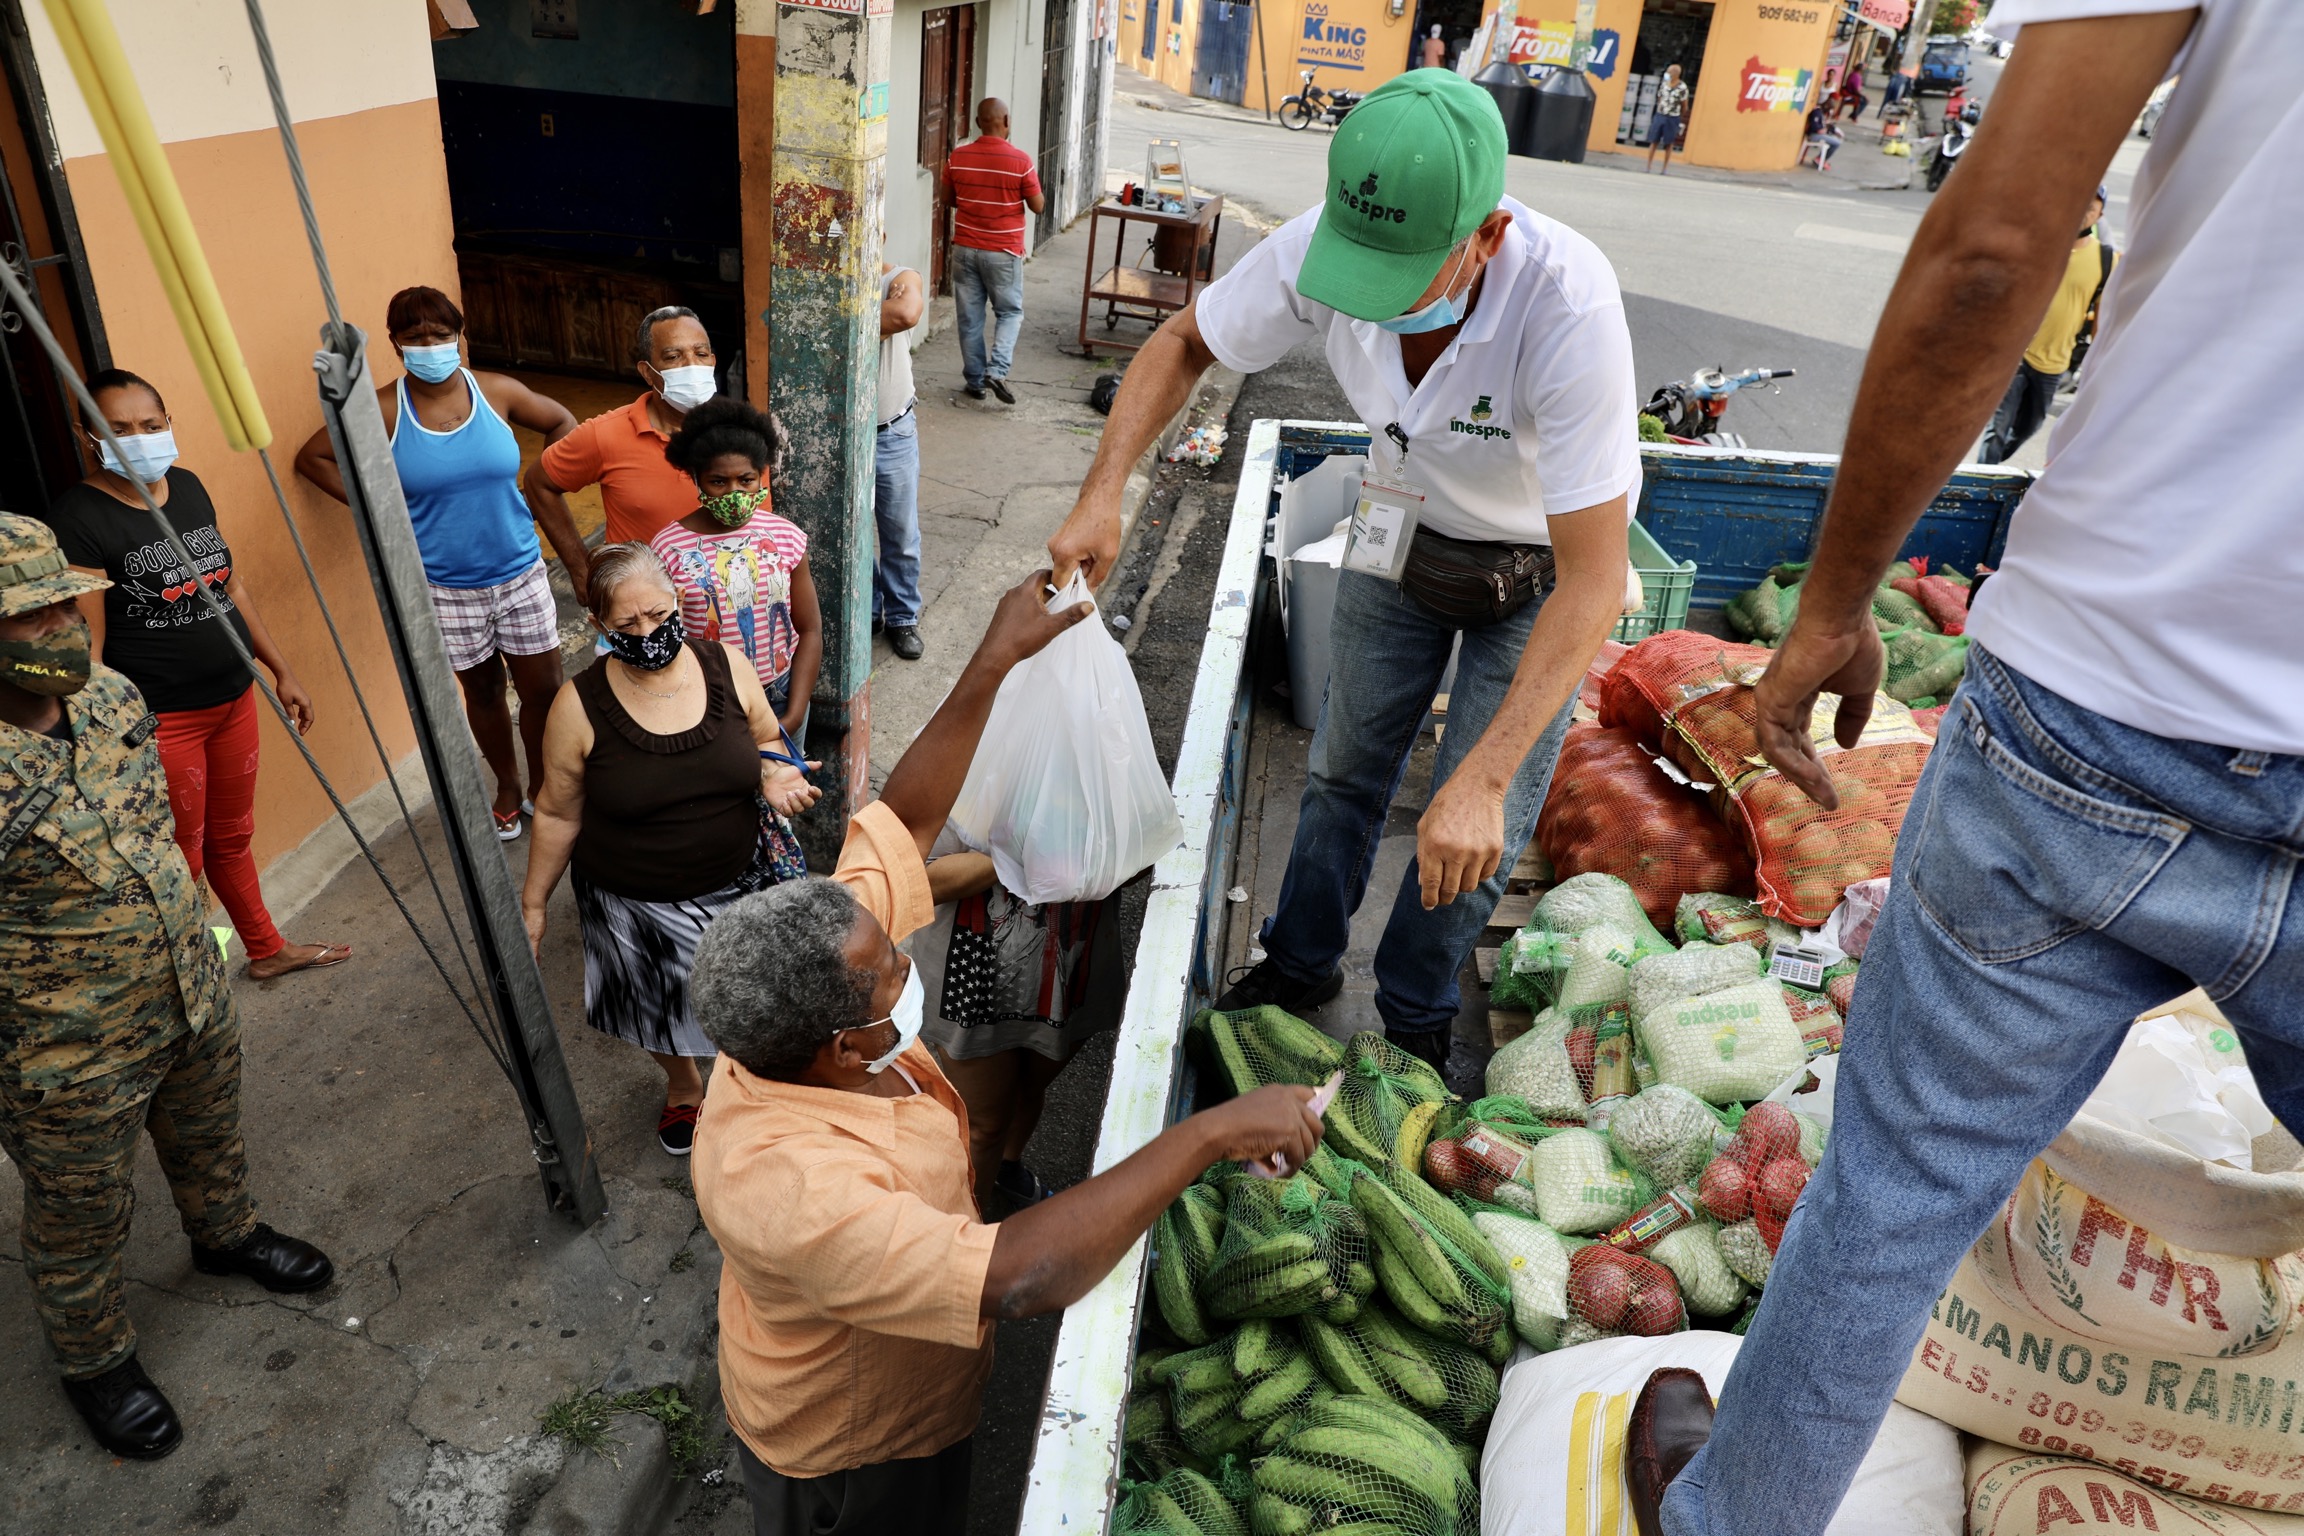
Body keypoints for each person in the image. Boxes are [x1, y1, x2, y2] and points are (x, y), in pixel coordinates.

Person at [1636, 7, 2303, 1535]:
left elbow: (1995, 249)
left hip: (2112, 691)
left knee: (1892, 1197)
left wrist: (1834, 603)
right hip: (2119, 698)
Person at [686, 568, 1325, 1536]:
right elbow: (1019, 1276)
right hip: (855, 1451)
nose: (906, 962)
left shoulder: (805, 991)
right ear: (840, 1049)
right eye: (889, 974)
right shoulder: (791, 1189)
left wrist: (996, 656)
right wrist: (1209, 1135)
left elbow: (901, 826)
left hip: (924, 1386)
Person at [1047, 69, 1639, 1078]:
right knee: (1340, 773)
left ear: (1487, 236)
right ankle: (1300, 961)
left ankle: (1414, 1008)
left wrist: (1483, 776)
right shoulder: (1321, 246)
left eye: (1399, 274)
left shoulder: (1568, 305)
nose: (1367, 297)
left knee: (1478, 819)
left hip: (1539, 572)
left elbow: (1594, 578)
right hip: (1399, 531)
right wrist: (1104, 490)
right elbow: (1185, 342)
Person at [0, 514, 334, 1461]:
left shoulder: (109, 695)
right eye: (33, 615)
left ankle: (225, 1236)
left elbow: (153, 833)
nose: (64, 626)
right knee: (80, 1209)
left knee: (208, 1130)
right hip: (61, 1045)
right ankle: (95, 1358)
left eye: (67, 603)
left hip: (185, 984)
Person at [519, 543, 819, 1156]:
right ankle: (684, 1086)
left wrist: (774, 772)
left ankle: (756, 1087)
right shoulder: (577, 706)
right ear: (598, 625)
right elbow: (555, 811)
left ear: (678, 600)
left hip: (740, 879)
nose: (647, 633)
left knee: (758, 1000)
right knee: (657, 1007)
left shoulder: (726, 666)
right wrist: (533, 904)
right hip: (632, 902)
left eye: (658, 615)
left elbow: (766, 737)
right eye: (626, 624)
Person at [47, 369, 349, 977]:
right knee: (181, 855)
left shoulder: (186, 486)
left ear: (169, 423)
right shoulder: (79, 518)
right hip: (164, 721)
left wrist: (281, 669)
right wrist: (98, 736)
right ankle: (195, 969)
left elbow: (230, 586)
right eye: (119, 428)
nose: (139, 438)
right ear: (88, 436)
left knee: (231, 838)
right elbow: (90, 649)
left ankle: (264, 950)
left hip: (233, 700)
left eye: (150, 425)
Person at [294, 285, 578, 840]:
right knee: (484, 693)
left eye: (441, 334)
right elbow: (313, 458)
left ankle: (546, 786)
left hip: (520, 572)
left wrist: (541, 482)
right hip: (445, 587)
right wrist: (381, 511)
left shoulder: (496, 391)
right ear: (396, 344)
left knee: (544, 690)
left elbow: (563, 421)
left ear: (459, 335)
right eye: (416, 337)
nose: (430, 346)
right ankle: (507, 786)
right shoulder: (383, 408)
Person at [909, 828, 1123, 1213]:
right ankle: (965, 1233)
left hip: (1070, 967)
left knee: (1027, 1089)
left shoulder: (1111, 783)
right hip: (974, 980)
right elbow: (920, 880)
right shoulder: (963, 788)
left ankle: (1005, 1170)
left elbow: (1143, 854)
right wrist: (1028, 848)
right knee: (984, 1125)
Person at [524, 306, 727, 593]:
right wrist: (581, 572)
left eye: (701, 354)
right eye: (673, 357)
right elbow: (539, 483)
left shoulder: (740, 433)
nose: (691, 366)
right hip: (642, 605)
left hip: (725, 600)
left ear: (713, 361)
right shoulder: (605, 433)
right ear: (647, 372)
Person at [652, 399, 821, 735]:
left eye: (746, 480)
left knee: (787, 771)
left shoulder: (785, 536)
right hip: (708, 701)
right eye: (718, 482)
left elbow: (810, 630)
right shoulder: (667, 549)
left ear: (761, 476)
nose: (734, 493)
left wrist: (794, 713)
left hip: (781, 694)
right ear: (696, 479)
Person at [1977, 185, 2117, 463]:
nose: (2084, 211)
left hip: (2055, 361)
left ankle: (1993, 470)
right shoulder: (2041, 245)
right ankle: (1984, 479)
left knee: (2028, 428)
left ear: (2100, 215)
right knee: (1997, 428)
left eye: (2092, 207)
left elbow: (2101, 316)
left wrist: (2096, 361)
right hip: (2016, 353)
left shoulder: (2105, 260)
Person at [943, 97, 1044, 404]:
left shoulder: (957, 157)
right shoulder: (1021, 161)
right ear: (1007, 122)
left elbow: (948, 199)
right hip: (1003, 252)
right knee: (1009, 312)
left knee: (970, 318)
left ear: (977, 123)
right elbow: (1038, 206)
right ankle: (997, 371)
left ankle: (975, 381)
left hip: (965, 249)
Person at [876, 258, 927, 661]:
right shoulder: (825, 278)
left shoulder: (900, 277)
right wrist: (877, 314)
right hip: (844, 435)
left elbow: (905, 313)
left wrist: (836, 318)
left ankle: (901, 617)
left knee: (901, 534)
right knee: (852, 534)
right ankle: (869, 609)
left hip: (891, 431)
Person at [1647, 64, 1691, 172]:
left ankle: (1664, 168)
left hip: (1673, 117)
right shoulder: (1664, 84)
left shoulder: (1682, 87)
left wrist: (1678, 115)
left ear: (1675, 74)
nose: (1667, 74)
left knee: (1669, 143)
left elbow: (1684, 105)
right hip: (1660, 115)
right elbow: (1659, 98)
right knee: (1654, 140)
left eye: (1669, 72)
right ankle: (1648, 165)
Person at [1802, 101, 1845, 168]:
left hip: (1819, 134)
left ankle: (1821, 158)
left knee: (1835, 139)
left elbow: (1824, 126)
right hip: (1814, 135)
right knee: (1837, 143)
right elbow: (1815, 127)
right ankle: (1819, 159)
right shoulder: (1817, 112)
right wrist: (1822, 129)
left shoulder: (1822, 113)